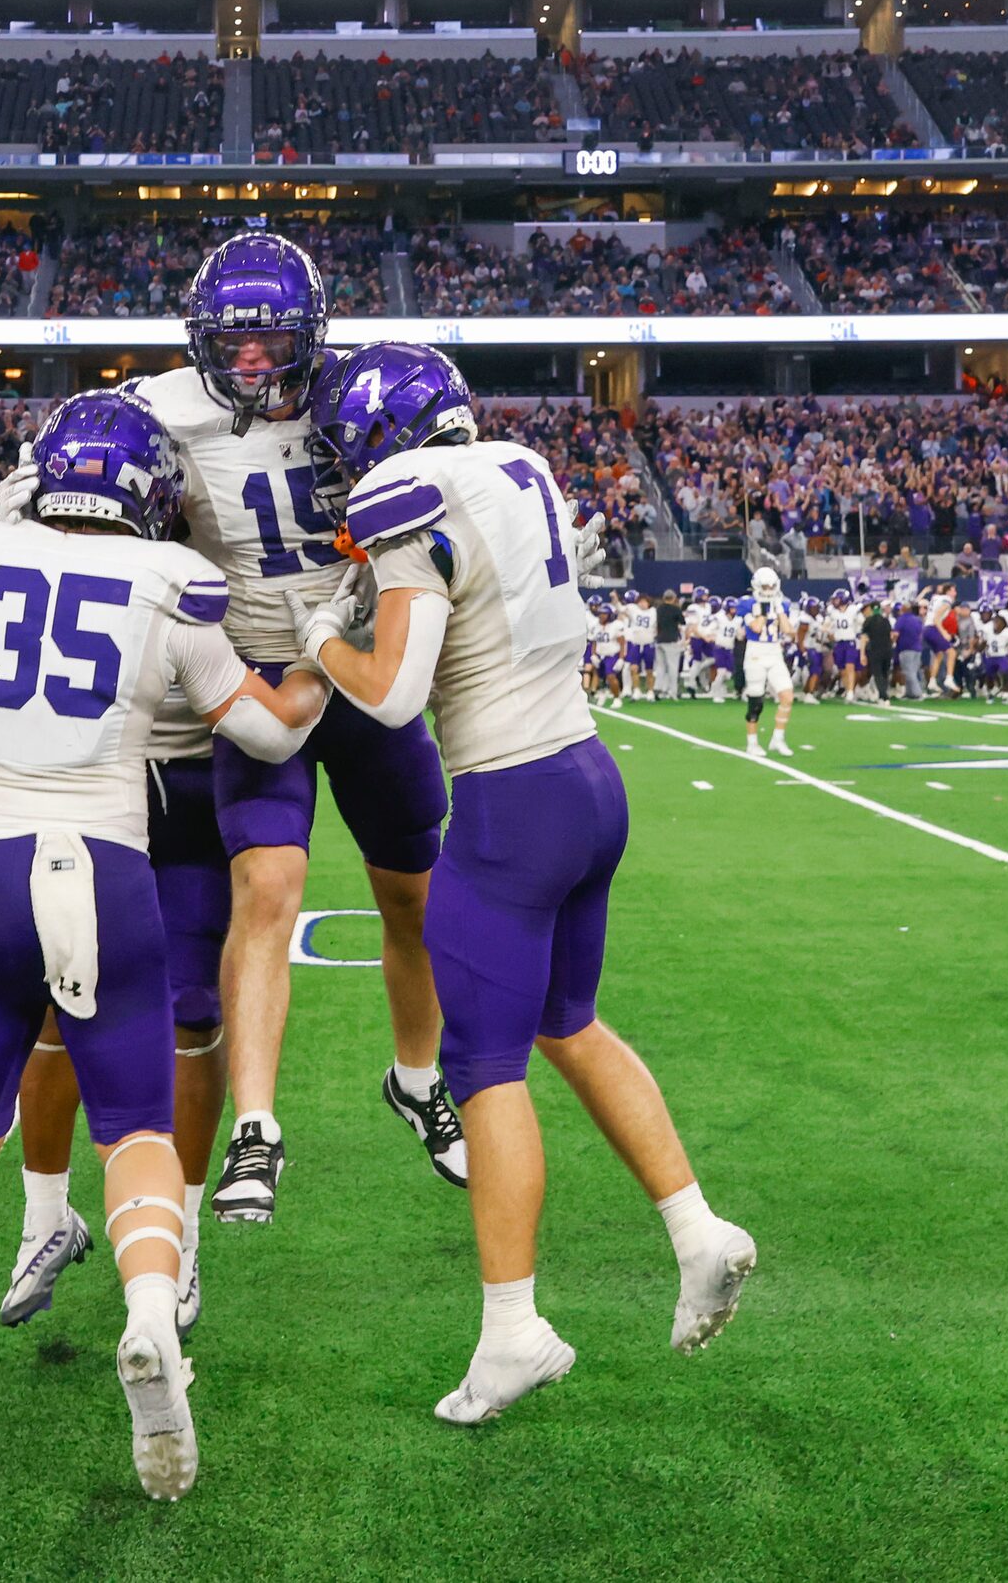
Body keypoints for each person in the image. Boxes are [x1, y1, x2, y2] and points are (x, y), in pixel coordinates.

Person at [0, 231, 467, 1226]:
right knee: (265, 887)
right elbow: (28, 545)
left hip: (357, 665)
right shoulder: (151, 408)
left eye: (269, 340)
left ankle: (417, 1081)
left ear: (311, 333)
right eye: (229, 343)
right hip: (240, 678)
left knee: (414, 904)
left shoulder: (364, 394)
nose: (250, 361)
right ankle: (255, 1131)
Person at [0, 394, 326, 1491]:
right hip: (111, 866)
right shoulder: (168, 583)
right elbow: (262, 726)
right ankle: (152, 1317)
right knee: (140, 1127)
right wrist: (320, 657)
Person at [298, 344, 756, 1424]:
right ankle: (697, 1231)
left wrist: (320, 634)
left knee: (482, 1064)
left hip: (509, 802)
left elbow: (396, 694)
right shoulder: (518, 463)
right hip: (587, 776)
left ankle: (513, 1331)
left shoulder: (402, 491)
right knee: (570, 1023)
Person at [739, 564, 797, 757]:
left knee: (787, 696)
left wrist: (779, 609)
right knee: (756, 702)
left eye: (772, 587)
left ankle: (778, 739)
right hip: (755, 653)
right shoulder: (747, 603)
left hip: (774, 653)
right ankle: (752, 743)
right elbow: (755, 627)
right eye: (765, 587)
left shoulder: (783, 604)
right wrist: (764, 611)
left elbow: (788, 630)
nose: (769, 591)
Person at [652, 587, 686, 699]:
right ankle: (673, 691)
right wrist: (679, 608)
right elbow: (683, 621)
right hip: (671, 640)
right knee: (672, 667)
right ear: (674, 598)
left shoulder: (658, 609)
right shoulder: (675, 609)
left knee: (661, 667)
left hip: (660, 640)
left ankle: (657, 688)